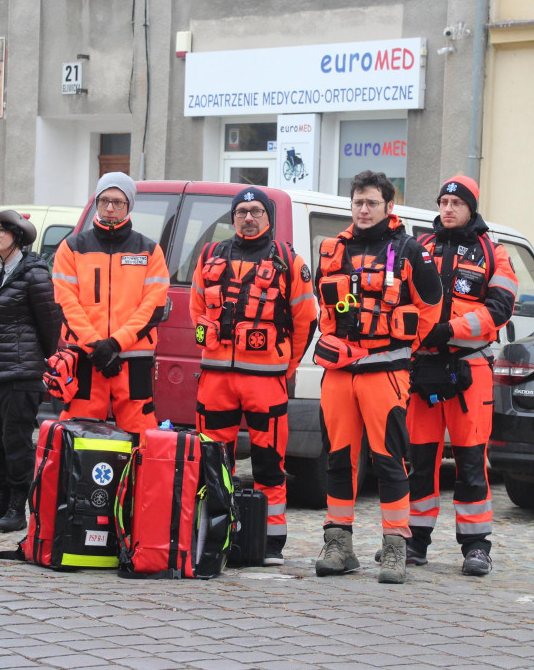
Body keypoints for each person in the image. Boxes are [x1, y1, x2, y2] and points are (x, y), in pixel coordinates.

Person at [313, 170, 442, 584]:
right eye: (357, 202)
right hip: (339, 373)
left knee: (390, 460)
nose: (363, 210)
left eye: (371, 202)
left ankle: (394, 547)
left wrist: (398, 350)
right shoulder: (333, 249)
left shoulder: (410, 251)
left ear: (390, 205)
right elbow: (321, 303)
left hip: (385, 373)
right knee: (338, 459)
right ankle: (338, 544)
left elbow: (431, 308)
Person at [190, 186, 318, 566]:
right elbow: (197, 309)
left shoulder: (287, 261)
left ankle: (270, 542)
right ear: (232, 217)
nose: (248, 217)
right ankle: (214, 535)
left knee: (269, 463)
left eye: (256, 211)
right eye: (242, 211)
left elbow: (305, 321)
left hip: (266, 380)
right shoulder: (211, 254)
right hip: (215, 379)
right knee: (211, 462)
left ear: (269, 218)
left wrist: (287, 367)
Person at [405, 176, 517, 576]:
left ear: (471, 207)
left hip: (470, 366)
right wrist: (424, 338)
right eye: (443, 201)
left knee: (471, 461)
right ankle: (414, 542)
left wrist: (452, 329)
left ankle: (476, 546)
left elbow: (501, 307)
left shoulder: (494, 252)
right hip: (424, 367)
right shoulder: (421, 249)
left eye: (456, 202)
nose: (448, 208)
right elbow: (401, 302)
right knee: (420, 460)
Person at [0, 210, 62, 533]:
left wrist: (40, 360)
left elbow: (50, 323)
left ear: (17, 236)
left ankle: (18, 507)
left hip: (21, 371)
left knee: (15, 440)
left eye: (1, 230)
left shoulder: (33, 273)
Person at [52, 172, 170, 433]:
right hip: (85, 359)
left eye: (118, 202)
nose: (109, 208)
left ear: (129, 206)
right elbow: (66, 303)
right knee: (78, 435)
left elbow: (153, 307)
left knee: (140, 436)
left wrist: (115, 344)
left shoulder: (149, 250)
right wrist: (96, 349)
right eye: (104, 200)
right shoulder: (71, 248)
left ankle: (135, 476)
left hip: (133, 360)